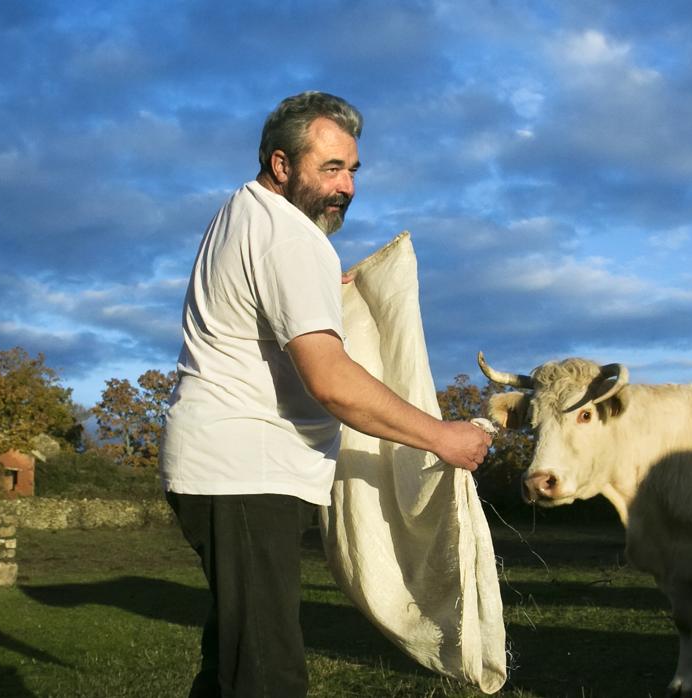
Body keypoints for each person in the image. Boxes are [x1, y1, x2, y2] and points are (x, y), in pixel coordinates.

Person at [158, 91, 492, 697]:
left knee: (233, 660)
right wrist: (442, 437)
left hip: (221, 469)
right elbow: (332, 382)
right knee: (268, 674)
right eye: (330, 169)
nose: (347, 188)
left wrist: (317, 288)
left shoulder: (244, 211)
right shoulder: (291, 238)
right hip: (244, 473)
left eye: (353, 170)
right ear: (282, 164)